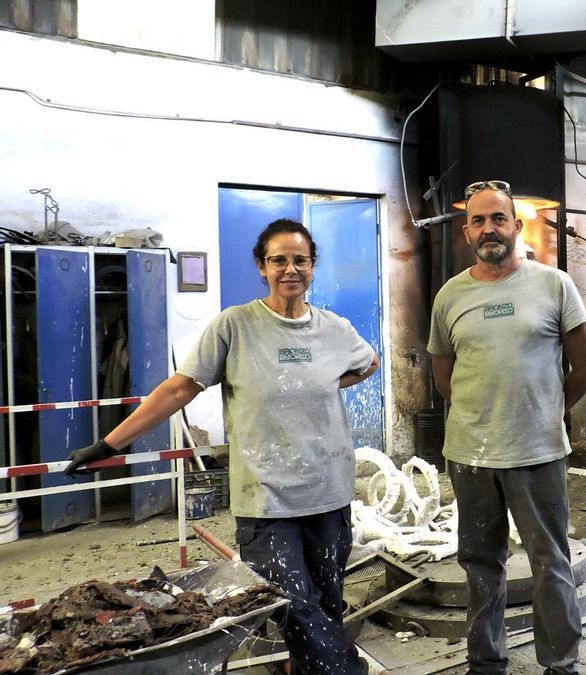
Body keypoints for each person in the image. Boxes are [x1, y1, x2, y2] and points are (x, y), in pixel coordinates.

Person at [65, 218, 379, 675]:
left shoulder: (334, 328)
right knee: (294, 602)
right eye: (278, 260)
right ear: (261, 266)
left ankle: (306, 668)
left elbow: (368, 361)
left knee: (326, 603)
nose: (290, 269)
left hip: (328, 492)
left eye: (300, 260)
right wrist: (110, 444)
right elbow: (178, 390)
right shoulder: (235, 326)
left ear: (312, 267)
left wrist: (330, 382)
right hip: (266, 497)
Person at [428, 179, 586, 675]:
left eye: (498, 218)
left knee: (551, 563)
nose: (489, 228)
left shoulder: (554, 284)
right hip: (471, 456)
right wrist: (480, 414)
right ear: (466, 232)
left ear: (516, 226)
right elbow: (444, 374)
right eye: (478, 220)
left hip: (538, 452)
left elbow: (584, 368)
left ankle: (560, 664)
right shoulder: (449, 296)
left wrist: (546, 410)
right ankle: (486, 662)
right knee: (481, 564)